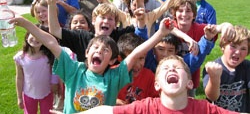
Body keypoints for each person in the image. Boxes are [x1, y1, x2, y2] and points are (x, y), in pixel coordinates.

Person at [11, 15, 175, 113]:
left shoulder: (114, 77)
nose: (99, 51)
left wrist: (160, 33)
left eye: (106, 51)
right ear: (87, 53)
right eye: (95, 48)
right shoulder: (74, 70)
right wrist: (25, 23)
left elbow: (136, 53)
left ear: (111, 61)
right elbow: (51, 42)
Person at [76, 55, 239, 114]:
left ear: (190, 83)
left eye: (177, 68)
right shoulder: (146, 108)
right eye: (166, 69)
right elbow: (107, 111)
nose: (171, 70)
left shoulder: (203, 109)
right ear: (157, 85)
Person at [46, 0, 146, 62]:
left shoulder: (118, 35)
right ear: (93, 21)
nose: (106, 21)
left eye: (110, 19)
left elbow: (139, 30)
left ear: (115, 24)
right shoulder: (82, 37)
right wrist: (51, 5)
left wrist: (140, 7)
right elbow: (55, 30)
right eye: (102, 17)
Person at [170, 0, 235, 97]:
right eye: (180, 11)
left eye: (188, 11)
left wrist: (227, 25)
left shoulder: (200, 29)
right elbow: (165, 26)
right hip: (170, 74)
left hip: (191, 77)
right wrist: (187, 38)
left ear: (194, 15)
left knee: (189, 103)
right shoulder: (171, 26)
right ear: (174, 14)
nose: (184, 14)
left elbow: (217, 27)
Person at [203, 25, 250, 113]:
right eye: (233, 46)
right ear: (223, 46)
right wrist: (214, 77)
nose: (237, 52)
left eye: (243, 49)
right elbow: (211, 97)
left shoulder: (247, 67)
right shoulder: (213, 67)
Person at [13, 27, 54, 114]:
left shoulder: (48, 55)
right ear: (27, 36)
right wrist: (19, 97)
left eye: (39, 37)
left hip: (47, 92)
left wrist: (55, 85)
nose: (36, 39)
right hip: (29, 93)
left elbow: (53, 72)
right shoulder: (20, 58)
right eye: (33, 35)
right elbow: (19, 78)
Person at [116, 33, 159, 105]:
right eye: (132, 59)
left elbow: (157, 102)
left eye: (141, 58)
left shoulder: (149, 76)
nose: (137, 64)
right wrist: (114, 101)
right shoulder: (111, 74)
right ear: (120, 59)